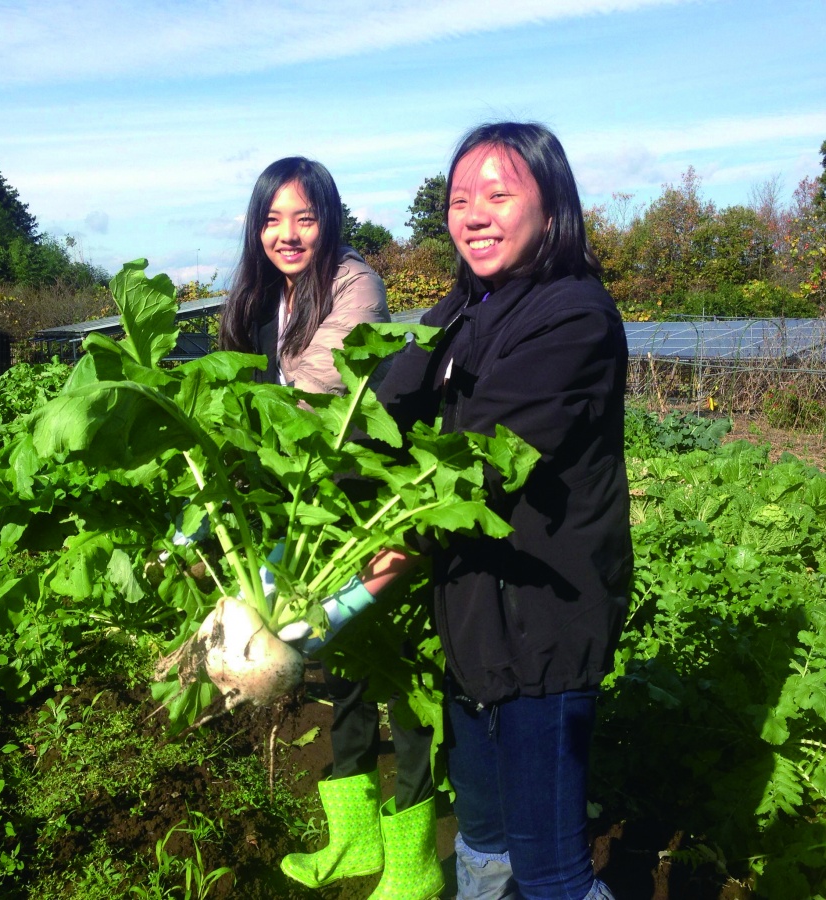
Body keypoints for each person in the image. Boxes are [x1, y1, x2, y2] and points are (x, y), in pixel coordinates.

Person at [346, 122, 632, 899]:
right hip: (472, 620)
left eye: (498, 196)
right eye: (459, 199)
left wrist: (354, 589)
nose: (472, 215)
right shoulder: (460, 309)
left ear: (552, 208)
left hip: (543, 624)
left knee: (552, 871)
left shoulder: (574, 317)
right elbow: (380, 411)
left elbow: (475, 462)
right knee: (481, 840)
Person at [218, 156, 444, 900]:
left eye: (304, 218)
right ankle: (352, 838)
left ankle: (413, 859)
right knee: (341, 669)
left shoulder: (354, 283)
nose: (288, 234)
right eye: (273, 219)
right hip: (303, 499)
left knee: (396, 671)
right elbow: (236, 387)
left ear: (329, 221)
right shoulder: (261, 297)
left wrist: (244, 445)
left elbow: (317, 393)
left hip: (365, 495)